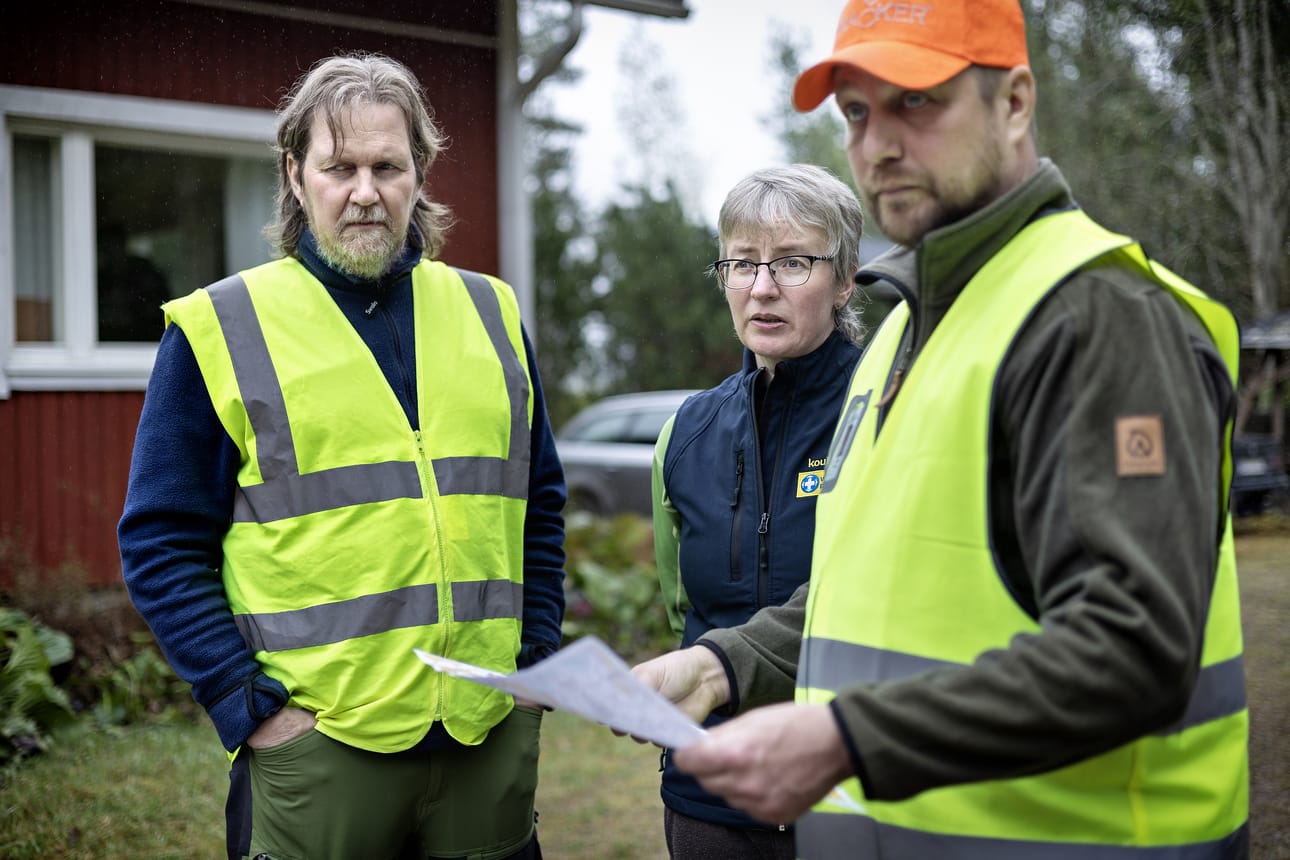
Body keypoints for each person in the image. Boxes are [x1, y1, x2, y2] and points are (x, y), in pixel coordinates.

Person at [630, 1, 1249, 857]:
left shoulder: (1098, 317)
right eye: (857, 111)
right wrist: (723, 663)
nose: (878, 143)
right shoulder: (906, 337)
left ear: (1015, 103)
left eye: (916, 101)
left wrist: (847, 739)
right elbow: (868, 591)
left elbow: (1131, 648)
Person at [118, 52, 566, 860]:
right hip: (319, 749)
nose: (365, 192)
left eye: (387, 167)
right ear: (296, 176)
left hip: (487, 732)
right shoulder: (220, 328)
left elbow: (541, 507)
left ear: (419, 174)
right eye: (340, 168)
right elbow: (160, 541)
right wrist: (246, 704)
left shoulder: (493, 313)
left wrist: (534, 665)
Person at [651, 164, 865, 860]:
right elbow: (680, 606)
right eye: (742, 263)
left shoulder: (889, 410)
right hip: (710, 797)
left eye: (793, 262)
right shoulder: (687, 433)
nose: (762, 288)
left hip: (850, 790)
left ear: (845, 278)